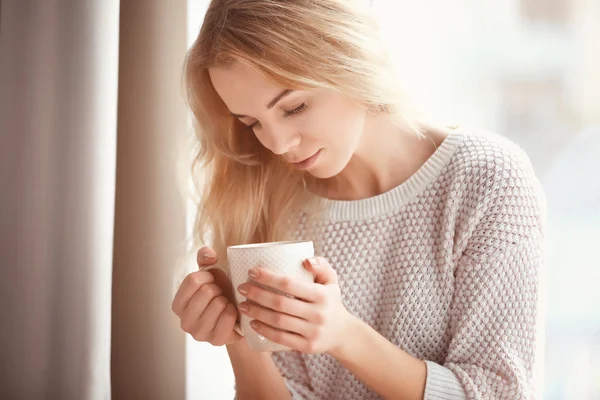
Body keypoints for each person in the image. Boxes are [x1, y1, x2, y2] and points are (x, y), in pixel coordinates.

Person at [171, 0, 546, 399]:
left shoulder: (485, 180)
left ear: (348, 59)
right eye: (253, 123)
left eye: (294, 107)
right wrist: (240, 340)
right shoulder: (265, 197)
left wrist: (345, 336)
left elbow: (498, 393)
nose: (278, 143)